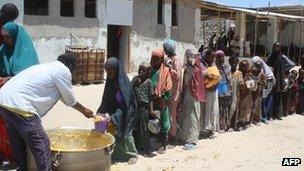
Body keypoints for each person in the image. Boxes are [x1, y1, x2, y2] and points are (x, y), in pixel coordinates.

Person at [0, 54, 94, 171]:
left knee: (17, 139)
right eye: (74, 69)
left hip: (4, 101)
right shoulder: (63, 70)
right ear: (70, 66)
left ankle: (22, 168)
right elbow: (70, 99)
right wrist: (84, 110)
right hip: (21, 106)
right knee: (42, 143)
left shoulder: (46, 67)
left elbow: (63, 96)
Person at [97, 57, 138, 164]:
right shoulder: (110, 82)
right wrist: (100, 112)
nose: (109, 72)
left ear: (117, 69)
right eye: (107, 69)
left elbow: (126, 104)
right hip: (116, 110)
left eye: (111, 69)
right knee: (114, 132)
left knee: (126, 133)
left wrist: (114, 117)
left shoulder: (124, 84)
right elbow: (106, 99)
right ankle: (118, 154)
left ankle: (133, 154)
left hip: (127, 110)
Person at [178, 50, 205, 150]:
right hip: (187, 96)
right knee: (185, 116)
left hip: (194, 97)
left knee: (193, 117)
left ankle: (192, 141)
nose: (190, 59)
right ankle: (184, 136)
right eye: (189, 56)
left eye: (192, 57)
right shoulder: (187, 69)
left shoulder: (197, 70)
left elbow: (195, 85)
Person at [150, 49, 172, 154]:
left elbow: (168, 87)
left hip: (161, 100)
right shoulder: (150, 71)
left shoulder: (166, 71)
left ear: (161, 59)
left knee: (164, 121)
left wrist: (161, 98)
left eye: (157, 59)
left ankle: (164, 143)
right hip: (151, 100)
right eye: (153, 58)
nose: (155, 61)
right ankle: (156, 137)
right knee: (153, 119)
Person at [266, 42, 295, 119]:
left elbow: (292, 64)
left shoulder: (282, 57)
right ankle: (270, 114)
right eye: (275, 46)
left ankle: (278, 114)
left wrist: (283, 69)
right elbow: (266, 65)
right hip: (271, 78)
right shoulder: (270, 56)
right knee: (270, 95)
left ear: (280, 48)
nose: (276, 48)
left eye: (278, 47)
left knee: (278, 96)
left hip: (279, 79)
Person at [131, 62, 154, 157]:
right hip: (136, 107)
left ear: (148, 72)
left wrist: (151, 110)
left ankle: (146, 148)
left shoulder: (149, 82)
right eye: (139, 69)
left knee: (144, 128)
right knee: (135, 127)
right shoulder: (135, 79)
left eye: (143, 70)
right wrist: (134, 82)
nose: (140, 71)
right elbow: (129, 88)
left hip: (144, 108)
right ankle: (136, 146)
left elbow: (151, 98)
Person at [163, 39, 183, 145]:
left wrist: (169, 68)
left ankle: (173, 135)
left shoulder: (176, 60)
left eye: (165, 48)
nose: (164, 50)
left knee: (172, 114)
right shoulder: (169, 58)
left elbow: (177, 75)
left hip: (175, 92)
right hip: (169, 91)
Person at [200, 49, 219, 138]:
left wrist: (214, 84)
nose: (212, 59)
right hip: (205, 92)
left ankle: (211, 130)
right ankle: (204, 129)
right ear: (205, 56)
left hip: (213, 92)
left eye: (213, 57)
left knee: (213, 110)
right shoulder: (202, 67)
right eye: (210, 57)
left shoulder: (214, 68)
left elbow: (217, 79)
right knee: (205, 110)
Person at [252, 56, 275, 124]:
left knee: (266, 101)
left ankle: (265, 117)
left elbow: (269, 79)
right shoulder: (257, 70)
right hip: (262, 87)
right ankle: (263, 116)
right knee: (263, 101)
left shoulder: (265, 70)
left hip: (268, 85)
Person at [215, 50, 232, 132]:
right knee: (216, 108)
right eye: (219, 57)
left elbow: (229, 79)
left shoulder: (227, 67)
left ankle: (224, 126)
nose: (221, 58)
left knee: (224, 108)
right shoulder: (213, 67)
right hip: (215, 89)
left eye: (222, 56)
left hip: (224, 89)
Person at [228, 56, 244, 130]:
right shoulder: (227, 72)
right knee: (227, 108)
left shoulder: (239, 73)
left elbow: (241, 82)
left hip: (235, 93)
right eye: (232, 63)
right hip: (227, 93)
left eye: (235, 63)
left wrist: (242, 83)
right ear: (230, 63)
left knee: (234, 108)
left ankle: (232, 125)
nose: (234, 64)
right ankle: (226, 124)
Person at [238, 60, 253, 130]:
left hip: (246, 95)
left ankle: (243, 122)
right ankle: (238, 122)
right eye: (242, 66)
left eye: (245, 66)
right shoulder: (238, 74)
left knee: (245, 109)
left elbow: (251, 87)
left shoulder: (249, 76)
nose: (244, 68)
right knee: (239, 108)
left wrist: (247, 80)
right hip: (238, 94)